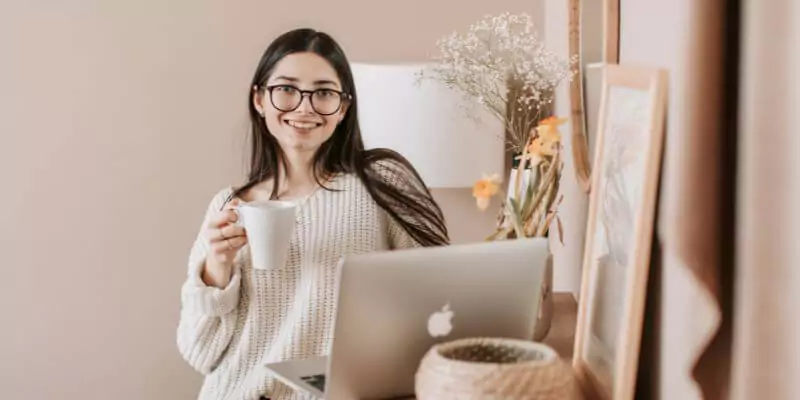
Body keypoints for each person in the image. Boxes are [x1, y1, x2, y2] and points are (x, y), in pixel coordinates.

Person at [176, 28, 450, 400]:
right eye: (286, 89)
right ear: (259, 99)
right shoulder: (229, 205)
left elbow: (443, 298)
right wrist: (217, 268)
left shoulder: (382, 181)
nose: (304, 107)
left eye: (323, 93)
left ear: (343, 107)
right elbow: (200, 354)